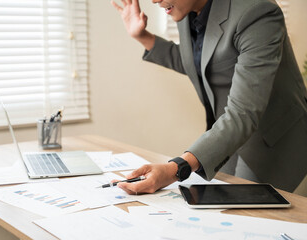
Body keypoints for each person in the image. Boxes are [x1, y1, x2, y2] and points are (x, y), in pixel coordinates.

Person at [111, 0, 307, 194]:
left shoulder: (257, 12)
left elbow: (243, 113)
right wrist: (142, 36)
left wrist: (176, 169)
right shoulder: (186, 10)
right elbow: (200, 63)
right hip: (227, 133)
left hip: (271, 139)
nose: (154, 0)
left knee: (251, 216)